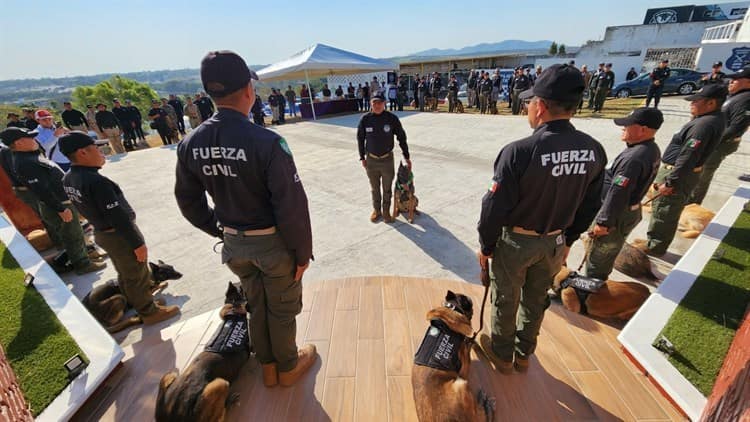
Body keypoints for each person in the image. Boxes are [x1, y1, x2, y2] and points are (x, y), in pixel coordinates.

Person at [175, 50, 316, 388]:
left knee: (255, 303)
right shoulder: (266, 142)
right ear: (249, 91)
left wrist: (220, 228)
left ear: (210, 94)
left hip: (234, 245)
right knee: (282, 308)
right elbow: (291, 206)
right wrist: (301, 253)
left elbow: (188, 201)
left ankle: (266, 366)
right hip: (272, 245)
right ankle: (286, 367)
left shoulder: (191, 142)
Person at [477, 64, 606, 374]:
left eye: (529, 102)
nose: (527, 109)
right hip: (555, 243)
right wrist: (568, 241)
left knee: (506, 299)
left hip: (517, 243)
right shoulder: (593, 150)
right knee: (536, 300)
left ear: (542, 106)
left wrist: (486, 244)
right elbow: (592, 204)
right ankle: (524, 354)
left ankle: (501, 354)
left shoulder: (520, 151)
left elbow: (494, 206)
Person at [59, 131, 179, 324]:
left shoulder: (69, 178)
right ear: (82, 153)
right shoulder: (97, 182)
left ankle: (138, 301)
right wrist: (137, 243)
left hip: (102, 233)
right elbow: (118, 216)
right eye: (96, 148)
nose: (101, 152)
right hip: (118, 235)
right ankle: (149, 312)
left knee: (126, 274)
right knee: (136, 276)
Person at [635, 84, 727, 257]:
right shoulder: (712, 119)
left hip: (677, 173)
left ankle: (655, 246)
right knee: (665, 209)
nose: (691, 104)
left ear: (711, 103)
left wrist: (671, 181)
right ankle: (653, 241)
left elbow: (688, 155)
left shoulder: (703, 125)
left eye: (696, 102)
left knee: (665, 211)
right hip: (683, 173)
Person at [0, 127, 106, 275]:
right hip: (59, 204)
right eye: (29, 138)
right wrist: (60, 209)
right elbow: (41, 190)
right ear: (19, 143)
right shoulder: (25, 163)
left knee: (75, 232)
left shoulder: (29, 156)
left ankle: (85, 255)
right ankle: (82, 264)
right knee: (72, 236)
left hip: (62, 202)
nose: (33, 140)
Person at [585, 108, 662, 281]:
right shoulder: (649, 148)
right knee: (604, 255)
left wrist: (604, 222)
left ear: (642, 130)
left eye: (628, 125)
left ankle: (591, 295)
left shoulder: (634, 158)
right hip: (625, 212)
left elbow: (619, 192)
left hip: (616, 216)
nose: (623, 128)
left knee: (598, 259)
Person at [689, 66, 750, 204]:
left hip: (719, 144)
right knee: (698, 171)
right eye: (732, 79)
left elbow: (736, 127)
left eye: (736, 79)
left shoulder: (746, 100)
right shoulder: (736, 96)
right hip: (715, 141)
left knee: (702, 174)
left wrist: (710, 140)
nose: (731, 81)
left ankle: (693, 203)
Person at [357, 93, 410, 223]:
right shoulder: (365, 119)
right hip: (371, 160)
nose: (377, 105)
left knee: (387, 188)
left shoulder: (391, 118)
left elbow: (401, 137)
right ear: (370, 103)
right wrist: (362, 157)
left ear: (384, 103)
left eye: (380, 102)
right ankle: (377, 210)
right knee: (375, 188)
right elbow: (360, 138)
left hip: (387, 160)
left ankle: (386, 212)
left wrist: (406, 156)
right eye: (374, 102)